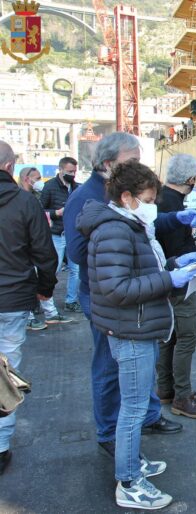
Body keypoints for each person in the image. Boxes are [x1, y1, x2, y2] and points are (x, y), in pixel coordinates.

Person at [77, 159, 196, 509]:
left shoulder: (127, 224)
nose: (153, 206)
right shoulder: (115, 229)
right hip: (130, 328)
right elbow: (117, 287)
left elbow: (139, 269)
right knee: (132, 409)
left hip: (136, 324)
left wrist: (178, 265)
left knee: (131, 405)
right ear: (129, 196)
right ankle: (129, 482)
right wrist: (169, 280)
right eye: (148, 198)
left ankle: (131, 463)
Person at [65, 132, 194, 458]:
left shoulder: (123, 200)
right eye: (132, 161)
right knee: (110, 365)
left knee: (142, 360)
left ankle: (149, 415)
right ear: (109, 164)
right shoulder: (86, 199)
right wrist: (129, 254)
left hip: (137, 293)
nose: (139, 167)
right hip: (107, 298)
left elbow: (143, 222)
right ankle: (110, 432)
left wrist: (174, 219)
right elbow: (81, 254)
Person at [0, 141, 58, 476]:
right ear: (9, 168)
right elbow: (44, 252)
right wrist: (44, 289)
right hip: (11, 299)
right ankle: (1, 444)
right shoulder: (24, 202)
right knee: (6, 374)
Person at [156, 154, 196, 417]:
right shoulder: (175, 207)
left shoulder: (161, 199)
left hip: (163, 280)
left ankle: (165, 389)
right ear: (191, 179)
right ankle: (182, 397)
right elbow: (181, 251)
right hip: (179, 283)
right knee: (187, 336)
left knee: (169, 336)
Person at [40, 157, 81, 314]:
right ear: (61, 170)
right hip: (57, 234)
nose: (73, 174)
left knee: (75, 269)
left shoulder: (76, 187)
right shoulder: (50, 186)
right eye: (70, 171)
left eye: (74, 171)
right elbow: (40, 210)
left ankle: (71, 301)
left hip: (72, 234)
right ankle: (44, 301)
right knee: (53, 269)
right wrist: (56, 213)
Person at [17, 167, 48, 332]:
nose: (40, 181)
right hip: (25, 248)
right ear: (27, 179)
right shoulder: (21, 199)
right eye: (37, 178)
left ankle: (35, 313)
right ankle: (28, 317)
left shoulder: (33, 197)